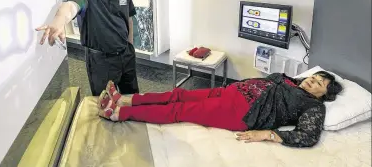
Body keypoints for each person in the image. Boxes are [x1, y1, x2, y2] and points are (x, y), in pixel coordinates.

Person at [97, 71, 343, 148]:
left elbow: (308, 136)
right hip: (231, 91)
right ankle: (127, 100)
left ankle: (119, 114)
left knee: (179, 109)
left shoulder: (313, 106)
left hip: (242, 111)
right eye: (316, 77)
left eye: (321, 84)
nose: (314, 81)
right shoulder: (291, 80)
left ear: (324, 95)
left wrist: (267, 134)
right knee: (177, 94)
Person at [36, 0, 139, 96]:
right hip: (101, 62)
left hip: (126, 55)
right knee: (106, 104)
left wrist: (130, 47)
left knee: (132, 98)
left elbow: (129, 19)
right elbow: (71, 6)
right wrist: (59, 21)